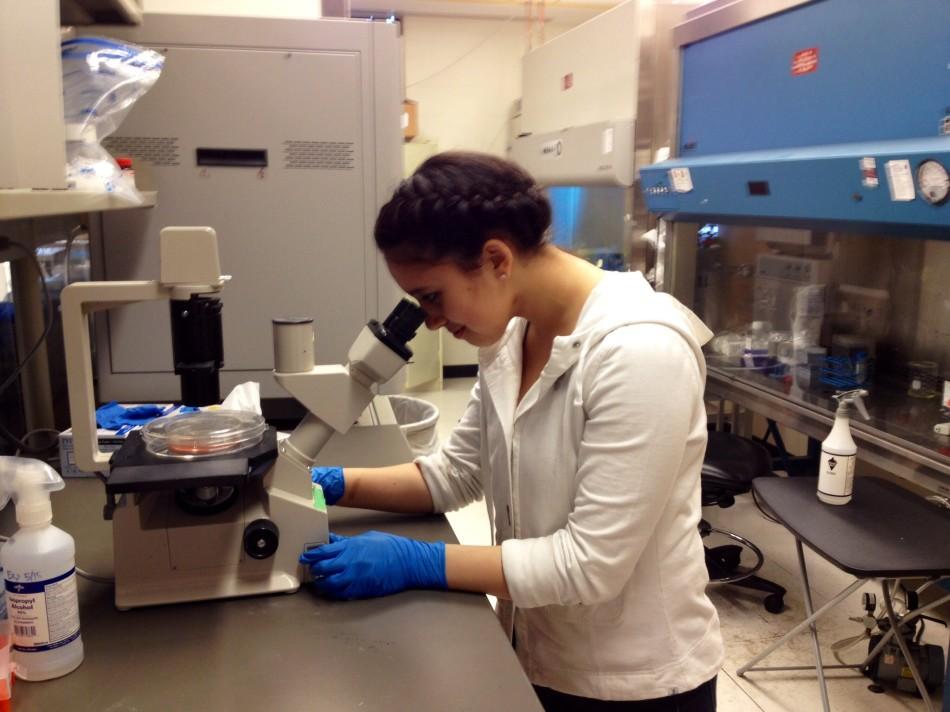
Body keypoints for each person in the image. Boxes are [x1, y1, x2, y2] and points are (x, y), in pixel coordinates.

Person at [299, 151, 723, 711]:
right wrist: (325, 484)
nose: (429, 320)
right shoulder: (510, 334)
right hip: (535, 648)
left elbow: (589, 565)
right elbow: (457, 473)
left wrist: (417, 562)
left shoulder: (639, 351)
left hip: (633, 682)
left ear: (496, 258)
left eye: (431, 295)